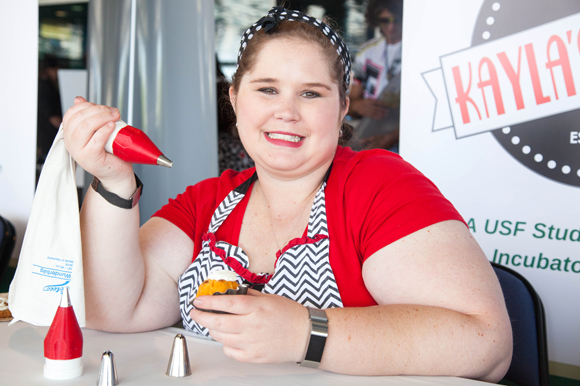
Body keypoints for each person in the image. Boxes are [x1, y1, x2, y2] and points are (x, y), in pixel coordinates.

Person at [62, 7, 511, 380]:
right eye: (268, 89)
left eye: (312, 94)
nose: (286, 112)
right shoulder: (207, 201)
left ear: (341, 108)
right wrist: (115, 181)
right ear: (236, 99)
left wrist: (306, 333)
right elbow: (115, 311)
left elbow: (486, 344)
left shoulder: (380, 187)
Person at [348, 0, 403, 152]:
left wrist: (391, 137)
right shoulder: (366, 52)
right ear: (376, 20)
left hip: (405, 138)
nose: (391, 26)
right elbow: (351, 103)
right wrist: (357, 106)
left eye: (396, 20)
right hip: (370, 133)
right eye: (385, 20)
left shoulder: (416, 50)